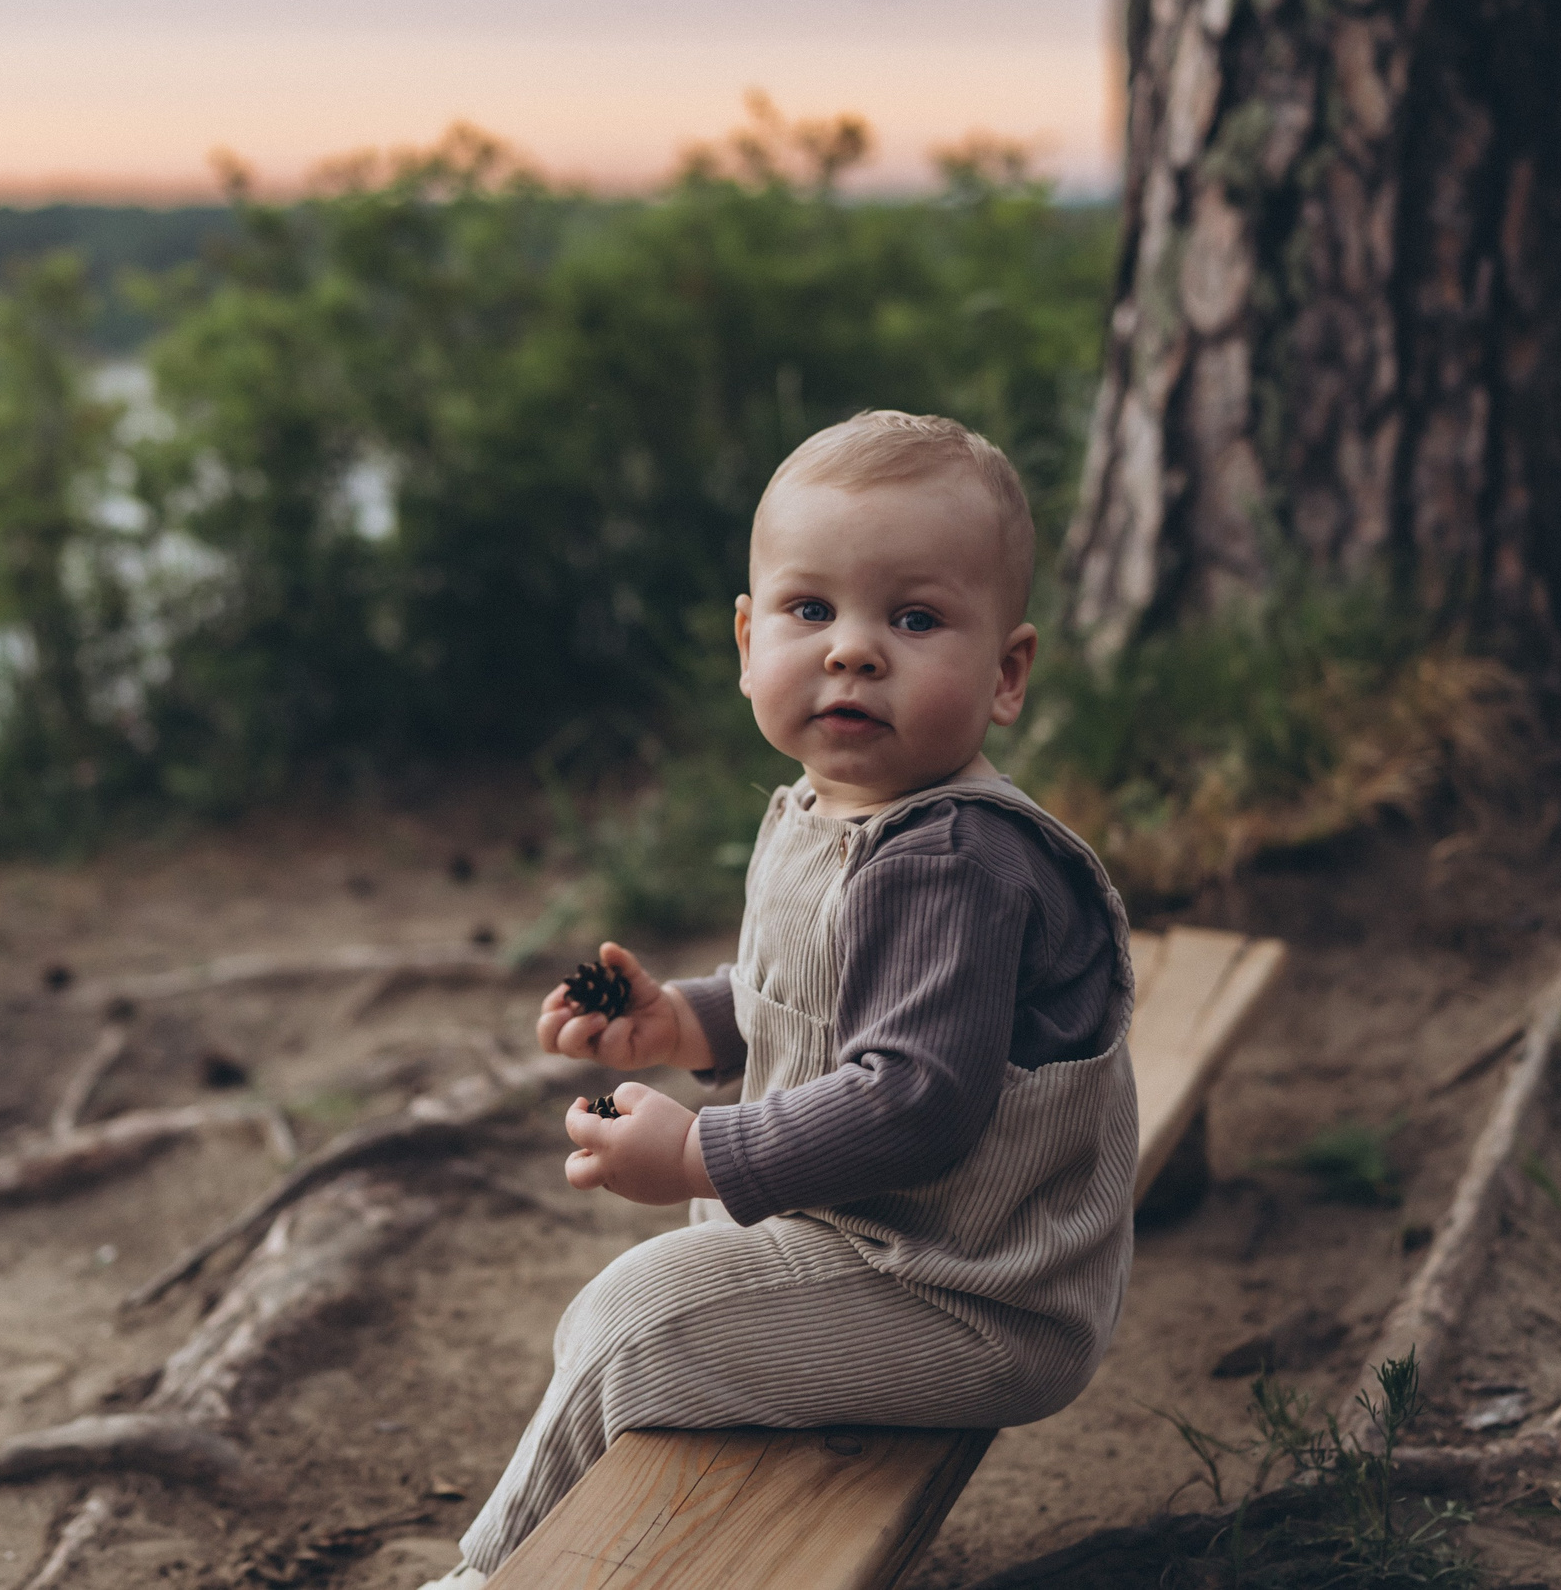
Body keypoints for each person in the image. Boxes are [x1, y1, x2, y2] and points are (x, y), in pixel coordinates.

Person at [419, 410, 1138, 1587]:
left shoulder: (952, 859)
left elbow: (913, 1100)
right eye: (811, 611)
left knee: (635, 1319)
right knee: (661, 1301)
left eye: (914, 619)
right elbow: (826, 995)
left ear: (1006, 675)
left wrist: (697, 1152)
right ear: (749, 641)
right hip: (879, 1246)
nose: (854, 651)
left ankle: (490, 1577)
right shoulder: (830, 810)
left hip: (974, 1298)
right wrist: (688, 1020)